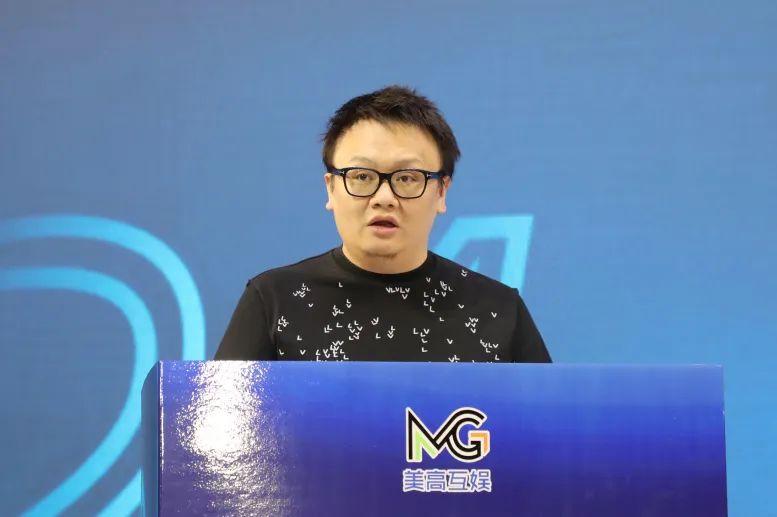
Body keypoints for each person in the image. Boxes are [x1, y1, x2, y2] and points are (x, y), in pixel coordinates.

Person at [215, 85, 551, 363]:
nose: (384, 197)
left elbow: (545, 423)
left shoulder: (498, 311)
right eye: (362, 176)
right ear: (330, 188)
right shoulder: (274, 301)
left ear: (441, 191)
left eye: (407, 178)